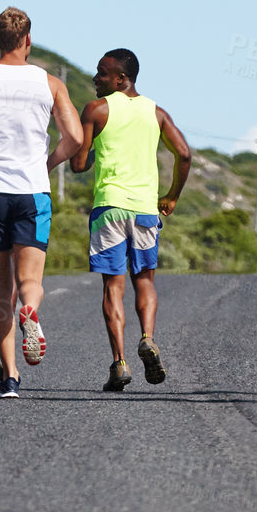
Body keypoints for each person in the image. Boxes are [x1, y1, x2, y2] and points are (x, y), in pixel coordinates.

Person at [0, 8, 83, 399]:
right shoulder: (50, 84)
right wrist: (49, 162)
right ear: (28, 40)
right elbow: (76, 138)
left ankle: (9, 377)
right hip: (32, 190)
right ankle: (30, 309)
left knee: (0, 287)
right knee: (30, 281)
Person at [71, 49, 191, 392]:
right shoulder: (156, 112)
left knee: (113, 286)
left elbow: (78, 166)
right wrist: (172, 195)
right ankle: (148, 338)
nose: (96, 78)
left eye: (102, 73)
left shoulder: (96, 110)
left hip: (109, 207)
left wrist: (96, 144)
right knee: (145, 281)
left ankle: (120, 363)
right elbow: (183, 153)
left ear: (121, 79)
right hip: (144, 211)